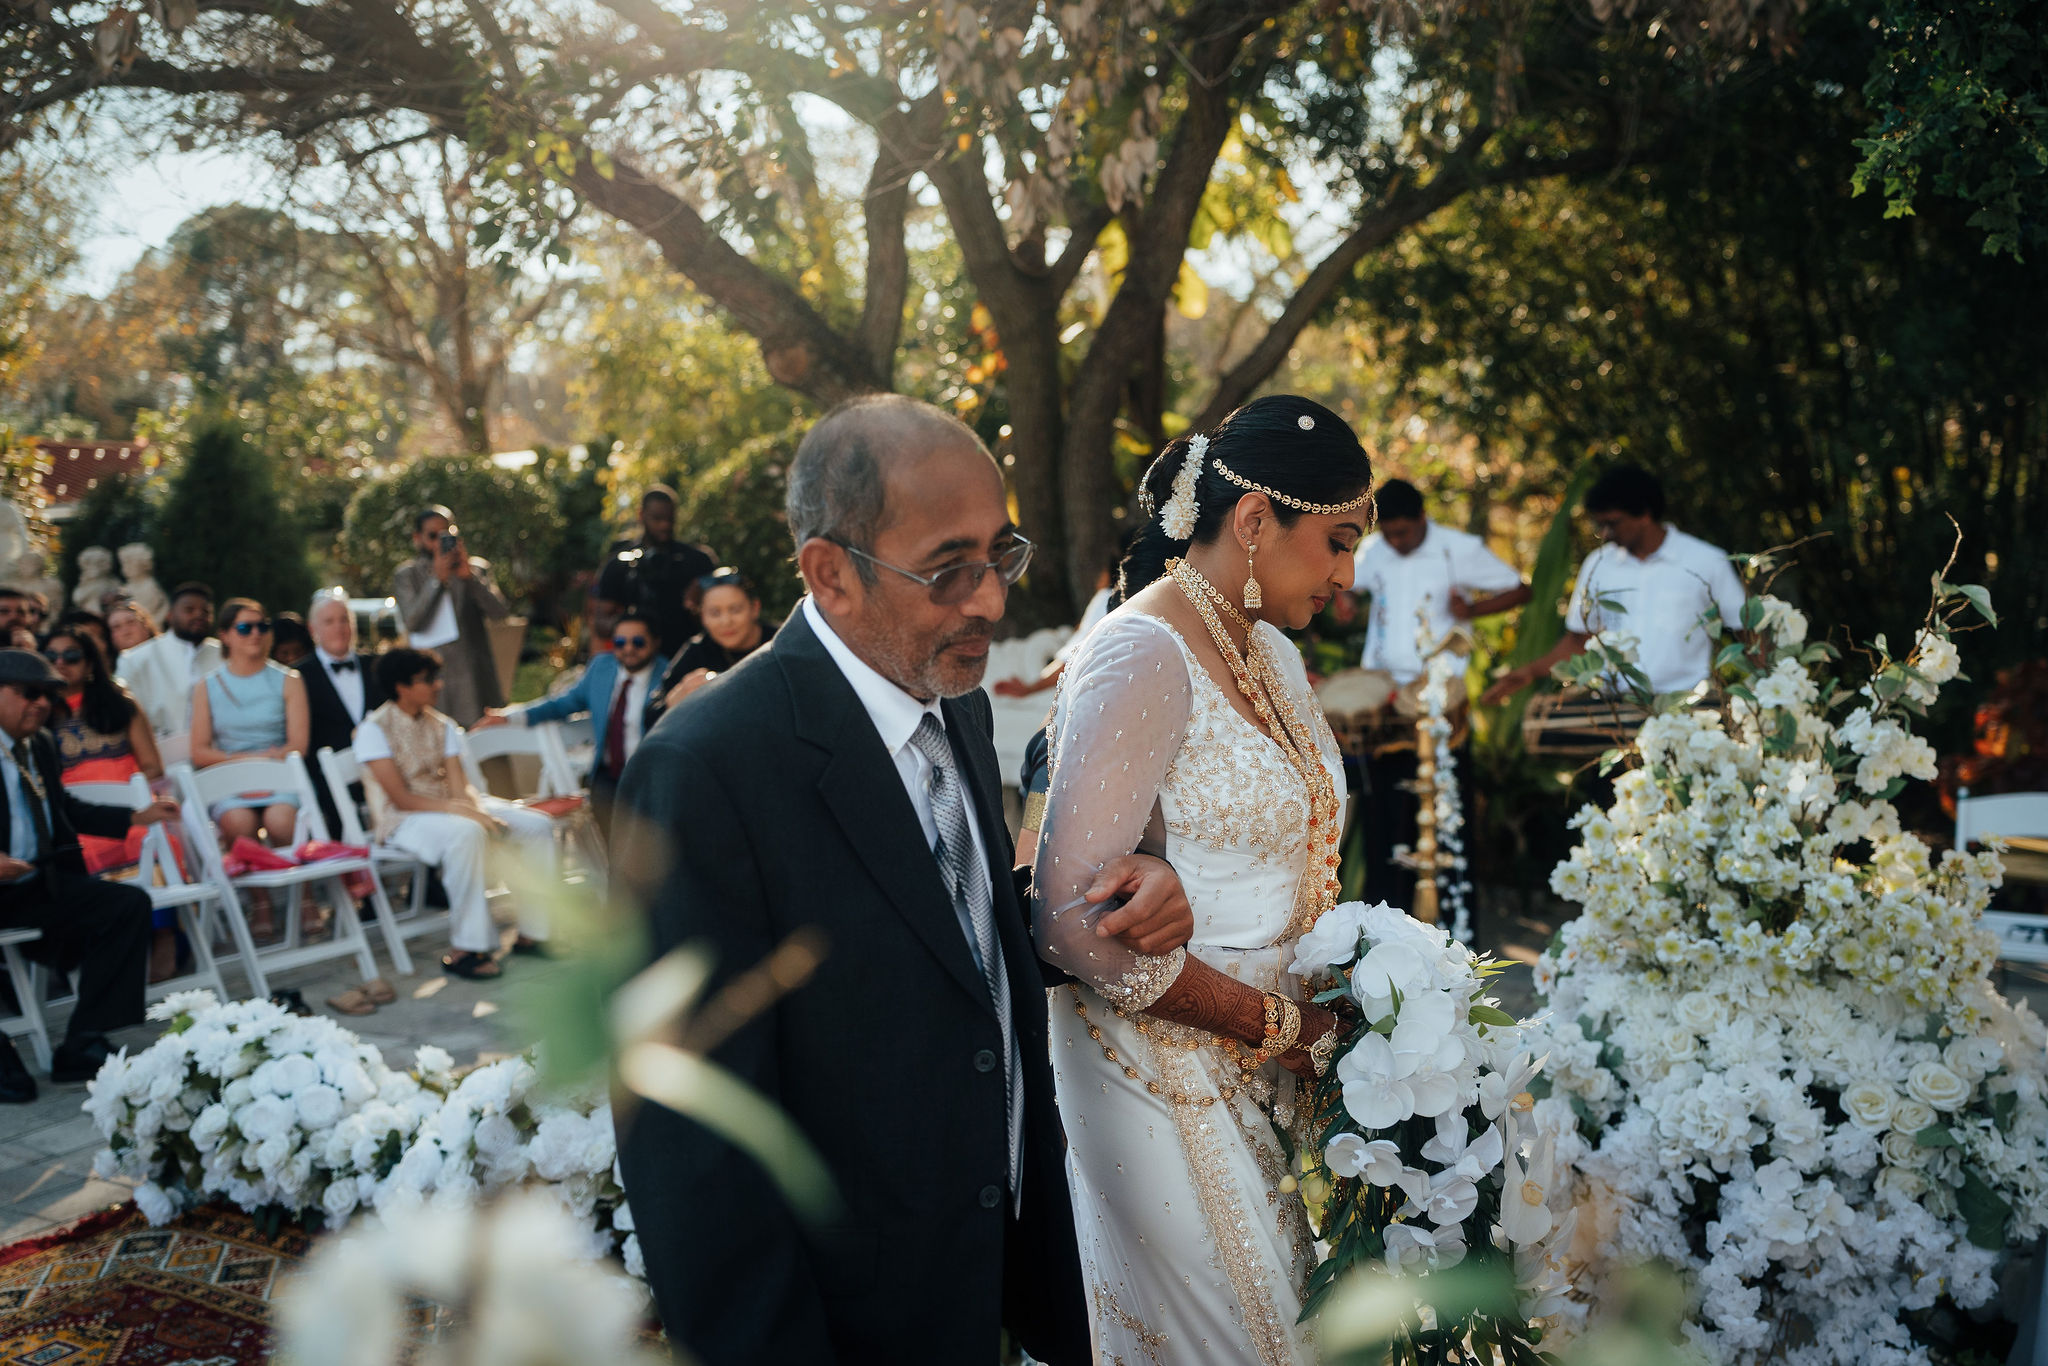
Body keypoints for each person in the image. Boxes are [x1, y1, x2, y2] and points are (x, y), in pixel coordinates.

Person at [613, 394, 1195, 1366]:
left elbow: (937, 932)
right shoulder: (705, 771)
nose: (990, 601)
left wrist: (1115, 899)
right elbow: (690, 1148)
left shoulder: (952, 699)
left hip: (997, 1276)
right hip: (854, 1319)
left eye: (1001, 555)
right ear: (829, 573)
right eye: (948, 569)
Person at [1032, 395, 1371, 1365]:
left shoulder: (1273, 653)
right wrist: (1282, 1028)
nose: (1346, 577)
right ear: (1255, 520)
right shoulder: (1141, 649)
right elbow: (1067, 923)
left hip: (1259, 1070)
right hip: (1153, 1071)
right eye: (1337, 543)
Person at [0, 649, 181, 1102]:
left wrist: (135, 817)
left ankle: (83, 1039)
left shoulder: (40, 745)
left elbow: (63, 809)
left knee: (126, 905)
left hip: (35, 883)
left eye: (49, 696)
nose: (42, 704)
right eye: (30, 693)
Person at [1351, 477, 1529, 905]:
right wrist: (1345, 603)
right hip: (1384, 698)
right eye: (1389, 534)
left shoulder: (1458, 548)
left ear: (1422, 518)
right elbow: (1348, 588)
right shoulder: (1373, 550)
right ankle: (1384, 914)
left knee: (1444, 813)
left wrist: (1474, 609)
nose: (1396, 541)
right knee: (1386, 814)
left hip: (1440, 699)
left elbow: (1521, 588)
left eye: (1404, 533)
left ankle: (1449, 919)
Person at [355, 647, 553, 980]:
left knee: (537, 825)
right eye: (427, 679)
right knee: (466, 832)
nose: (438, 685)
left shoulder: (442, 724)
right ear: (401, 686)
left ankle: (535, 932)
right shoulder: (373, 729)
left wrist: (478, 812)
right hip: (403, 818)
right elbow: (401, 799)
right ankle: (468, 948)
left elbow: (460, 786)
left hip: (452, 808)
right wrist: (468, 816)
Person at [1481, 464, 1747, 704]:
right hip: (1614, 708)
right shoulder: (1599, 564)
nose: (1605, 533)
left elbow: (1747, 629)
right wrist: (1528, 672)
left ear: (1644, 514)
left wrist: (1762, 691)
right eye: (1600, 525)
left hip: (1689, 706)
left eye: (1612, 523)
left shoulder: (1706, 561)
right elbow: (1579, 642)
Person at [44, 627, 180, 979]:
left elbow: (152, 766)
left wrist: (120, 793)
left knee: (146, 839)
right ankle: (108, 949)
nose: (61, 663)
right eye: (52, 656)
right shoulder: (39, 715)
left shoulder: (121, 703)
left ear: (90, 663)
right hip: (79, 818)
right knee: (77, 850)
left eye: (71, 656)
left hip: (131, 808)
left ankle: (163, 936)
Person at [474, 610, 665, 836]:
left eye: (638, 642)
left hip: (649, 778)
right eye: (621, 642)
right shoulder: (602, 668)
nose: (629, 649)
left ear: (655, 642)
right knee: (606, 840)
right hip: (607, 778)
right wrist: (508, 716)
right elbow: (561, 704)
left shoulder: (667, 676)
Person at [189, 599, 310, 848]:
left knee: (280, 821)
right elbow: (199, 751)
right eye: (245, 628)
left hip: (279, 775)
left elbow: (298, 745)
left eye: (262, 626)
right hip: (231, 780)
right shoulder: (206, 686)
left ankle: (297, 875)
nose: (255, 633)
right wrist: (246, 760)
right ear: (225, 636)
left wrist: (267, 761)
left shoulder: (289, 679)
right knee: (238, 824)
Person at [393, 506, 511, 727]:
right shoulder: (408, 575)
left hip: (475, 680)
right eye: (433, 536)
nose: (440, 542)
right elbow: (412, 622)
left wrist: (470, 578)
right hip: (435, 681)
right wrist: (436, 580)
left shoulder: (475, 569)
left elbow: (500, 613)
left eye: (447, 534)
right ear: (417, 538)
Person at [301, 589, 388, 839]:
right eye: (329, 621)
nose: (338, 628)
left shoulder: (377, 666)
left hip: (385, 776)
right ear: (313, 629)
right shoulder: (299, 677)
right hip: (330, 788)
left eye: (344, 620)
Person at [593, 486, 716, 652]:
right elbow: (600, 623)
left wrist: (698, 604)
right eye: (657, 518)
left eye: (670, 519)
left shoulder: (698, 560)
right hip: (642, 660)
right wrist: (629, 623)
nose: (664, 525)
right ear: (641, 515)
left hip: (688, 654)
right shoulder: (620, 565)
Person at [656, 569, 776, 710]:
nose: (726, 621)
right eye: (714, 613)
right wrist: (674, 701)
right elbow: (652, 711)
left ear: (755, 608)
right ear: (702, 616)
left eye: (735, 610)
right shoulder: (698, 650)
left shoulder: (779, 640)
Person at [117, 582, 224, 737]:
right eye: (189, 610)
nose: (198, 615)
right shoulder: (136, 659)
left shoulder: (226, 655)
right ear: (170, 615)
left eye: (205, 611)